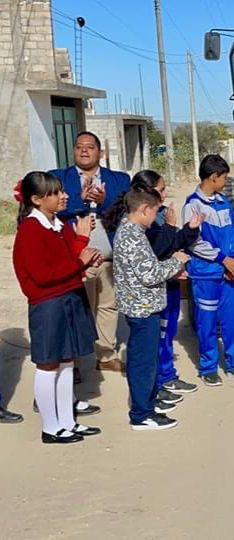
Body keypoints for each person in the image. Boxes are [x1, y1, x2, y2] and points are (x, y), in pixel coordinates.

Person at [12, 172, 102, 443]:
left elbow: (69, 259)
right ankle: (50, 427)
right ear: (36, 199)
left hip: (69, 297)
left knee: (66, 362)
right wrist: (80, 262)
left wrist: (83, 248)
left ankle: (67, 422)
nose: (63, 196)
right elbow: (42, 274)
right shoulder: (30, 229)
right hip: (48, 304)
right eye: (54, 193)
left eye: (61, 191)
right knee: (48, 364)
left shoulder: (59, 224)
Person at [51, 131, 131, 374]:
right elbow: (51, 208)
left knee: (108, 307)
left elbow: (126, 211)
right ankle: (71, 362)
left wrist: (105, 201)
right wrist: (81, 201)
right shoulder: (57, 179)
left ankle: (105, 355)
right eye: (79, 146)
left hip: (108, 258)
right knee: (75, 311)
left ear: (100, 152)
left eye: (90, 147)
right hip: (76, 259)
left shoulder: (119, 179)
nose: (84, 150)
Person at [113, 186, 189, 431]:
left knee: (146, 361)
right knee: (143, 364)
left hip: (143, 306)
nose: (157, 217)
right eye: (155, 211)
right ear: (144, 209)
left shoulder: (131, 230)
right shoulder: (132, 235)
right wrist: (176, 262)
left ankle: (148, 403)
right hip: (142, 309)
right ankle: (141, 414)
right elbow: (150, 274)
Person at [182, 155, 234, 386]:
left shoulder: (223, 202)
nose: (225, 182)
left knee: (232, 321)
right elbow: (194, 242)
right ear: (214, 177)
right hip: (206, 275)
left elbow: (233, 236)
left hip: (227, 274)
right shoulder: (192, 204)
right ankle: (208, 367)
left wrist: (233, 261)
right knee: (207, 323)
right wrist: (222, 260)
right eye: (223, 178)